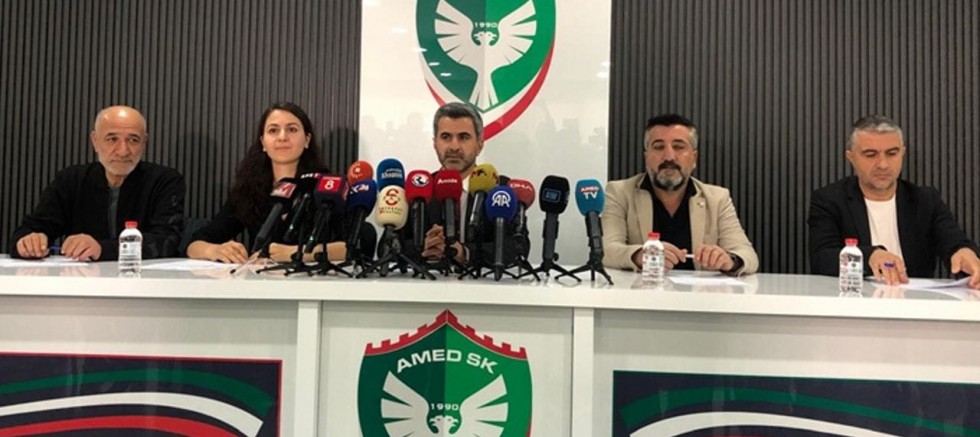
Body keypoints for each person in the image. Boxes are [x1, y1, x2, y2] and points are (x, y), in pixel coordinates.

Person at [186, 102, 374, 263]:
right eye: (273, 130)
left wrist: (296, 254)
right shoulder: (248, 191)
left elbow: (359, 242)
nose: (282, 137)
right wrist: (215, 250)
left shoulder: (327, 187)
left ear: (307, 140)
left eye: (292, 129)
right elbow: (194, 244)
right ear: (263, 142)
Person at [808, 115, 980, 288]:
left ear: (902, 153)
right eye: (870, 155)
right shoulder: (830, 200)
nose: (883, 164)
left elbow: (953, 241)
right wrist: (870, 256)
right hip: (855, 297)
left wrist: (964, 253)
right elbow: (822, 258)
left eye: (892, 154)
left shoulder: (925, 200)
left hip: (915, 299)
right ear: (851, 157)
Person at [9, 105, 185, 261]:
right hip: (82, 279)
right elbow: (32, 228)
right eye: (112, 139)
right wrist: (28, 242)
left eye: (133, 140)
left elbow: (167, 241)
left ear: (144, 143)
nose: (123, 151)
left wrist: (102, 249)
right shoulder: (72, 180)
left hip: (143, 279)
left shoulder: (164, 181)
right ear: (95, 140)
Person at [601, 113, 759, 275]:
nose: (669, 156)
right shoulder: (620, 193)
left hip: (700, 291)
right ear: (646, 157)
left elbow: (748, 256)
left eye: (679, 147)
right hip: (643, 289)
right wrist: (639, 255)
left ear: (694, 158)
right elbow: (606, 250)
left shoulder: (717, 198)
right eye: (659, 147)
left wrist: (729, 260)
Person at [413, 102, 528, 266]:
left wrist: (464, 253)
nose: (454, 147)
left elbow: (519, 247)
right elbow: (388, 247)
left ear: (480, 145)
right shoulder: (419, 188)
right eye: (445, 137)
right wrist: (421, 246)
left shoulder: (502, 190)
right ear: (435, 143)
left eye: (464, 137)